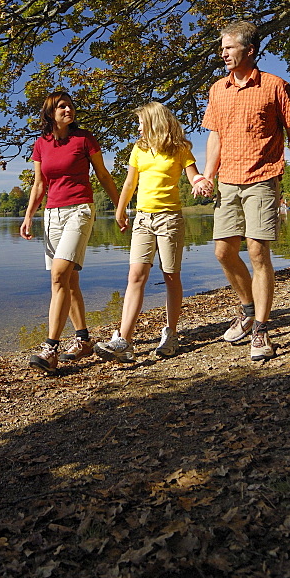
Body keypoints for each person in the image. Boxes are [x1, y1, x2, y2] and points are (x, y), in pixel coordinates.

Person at [193, 21, 290, 360]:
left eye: (228, 47)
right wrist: (207, 174)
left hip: (262, 178)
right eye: (222, 47)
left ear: (250, 50)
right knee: (223, 252)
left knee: (258, 254)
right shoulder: (217, 89)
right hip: (227, 180)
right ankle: (247, 310)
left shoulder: (275, 86)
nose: (222, 53)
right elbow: (214, 135)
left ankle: (261, 330)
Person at [94, 102, 204, 363]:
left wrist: (201, 183)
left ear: (154, 122)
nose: (138, 127)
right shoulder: (138, 149)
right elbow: (130, 183)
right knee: (136, 275)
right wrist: (119, 211)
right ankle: (124, 339)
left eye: (141, 122)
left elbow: (193, 175)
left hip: (170, 220)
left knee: (170, 276)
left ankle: (171, 333)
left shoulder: (180, 149)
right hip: (143, 219)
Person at [20, 91, 121, 373]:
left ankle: (50, 348)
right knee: (70, 280)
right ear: (50, 113)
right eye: (62, 106)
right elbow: (39, 184)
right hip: (52, 214)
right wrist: (29, 216)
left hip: (80, 211)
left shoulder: (84, 138)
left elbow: (102, 174)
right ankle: (83, 340)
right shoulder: (41, 144)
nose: (68, 110)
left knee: (59, 275)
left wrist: (119, 207)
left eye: (71, 106)